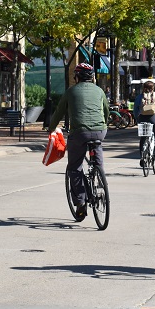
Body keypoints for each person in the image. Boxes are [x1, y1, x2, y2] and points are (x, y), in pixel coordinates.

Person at [48, 63, 110, 221]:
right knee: (97, 151)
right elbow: (106, 110)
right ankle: (99, 175)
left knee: (74, 167)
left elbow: (59, 112)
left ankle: (81, 203)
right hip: (100, 131)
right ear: (92, 77)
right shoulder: (99, 90)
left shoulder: (71, 92)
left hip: (79, 133)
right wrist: (104, 124)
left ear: (77, 77)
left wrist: (50, 129)